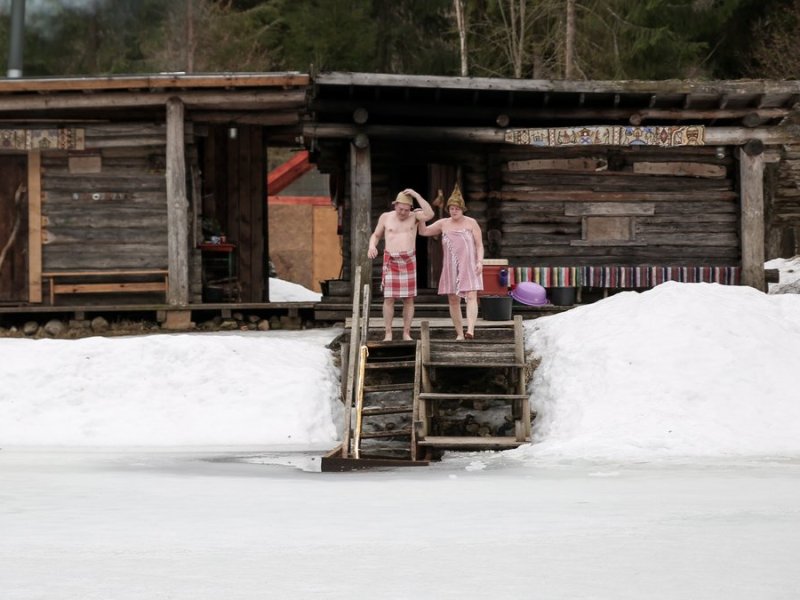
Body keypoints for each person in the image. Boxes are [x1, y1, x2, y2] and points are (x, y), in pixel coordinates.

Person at [418, 184, 484, 340]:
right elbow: (424, 231)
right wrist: (420, 219)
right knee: (453, 299)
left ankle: (471, 330)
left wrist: (480, 261)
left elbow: (479, 245)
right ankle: (460, 334)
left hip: (469, 264)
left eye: (457, 208)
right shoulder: (443, 223)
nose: (454, 211)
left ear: (463, 209)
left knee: (471, 295)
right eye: (451, 208)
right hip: (450, 266)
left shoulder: (471, 223)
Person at [368, 189, 434, 341]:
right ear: (395, 205)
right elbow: (376, 235)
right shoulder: (385, 217)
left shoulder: (415, 216)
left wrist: (417, 195)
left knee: (408, 299)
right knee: (389, 298)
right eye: (400, 208)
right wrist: (372, 246)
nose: (403, 212)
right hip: (391, 260)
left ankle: (406, 332)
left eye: (406, 209)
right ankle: (388, 332)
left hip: (408, 260)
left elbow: (430, 214)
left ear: (410, 208)